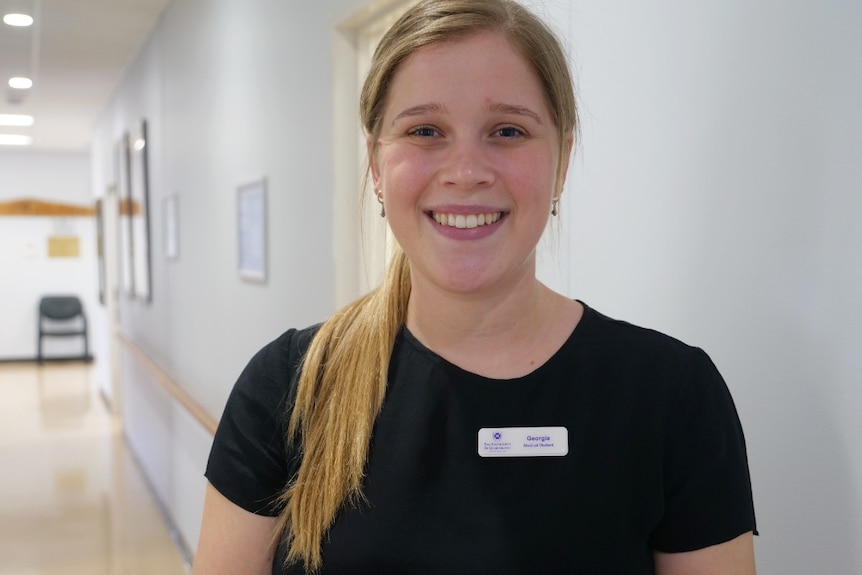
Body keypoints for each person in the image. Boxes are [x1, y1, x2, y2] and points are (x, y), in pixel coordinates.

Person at [193, 0, 758, 573]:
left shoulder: (672, 397)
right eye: (424, 131)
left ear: (560, 161)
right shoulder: (288, 390)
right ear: (375, 165)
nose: (466, 171)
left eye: (507, 130)